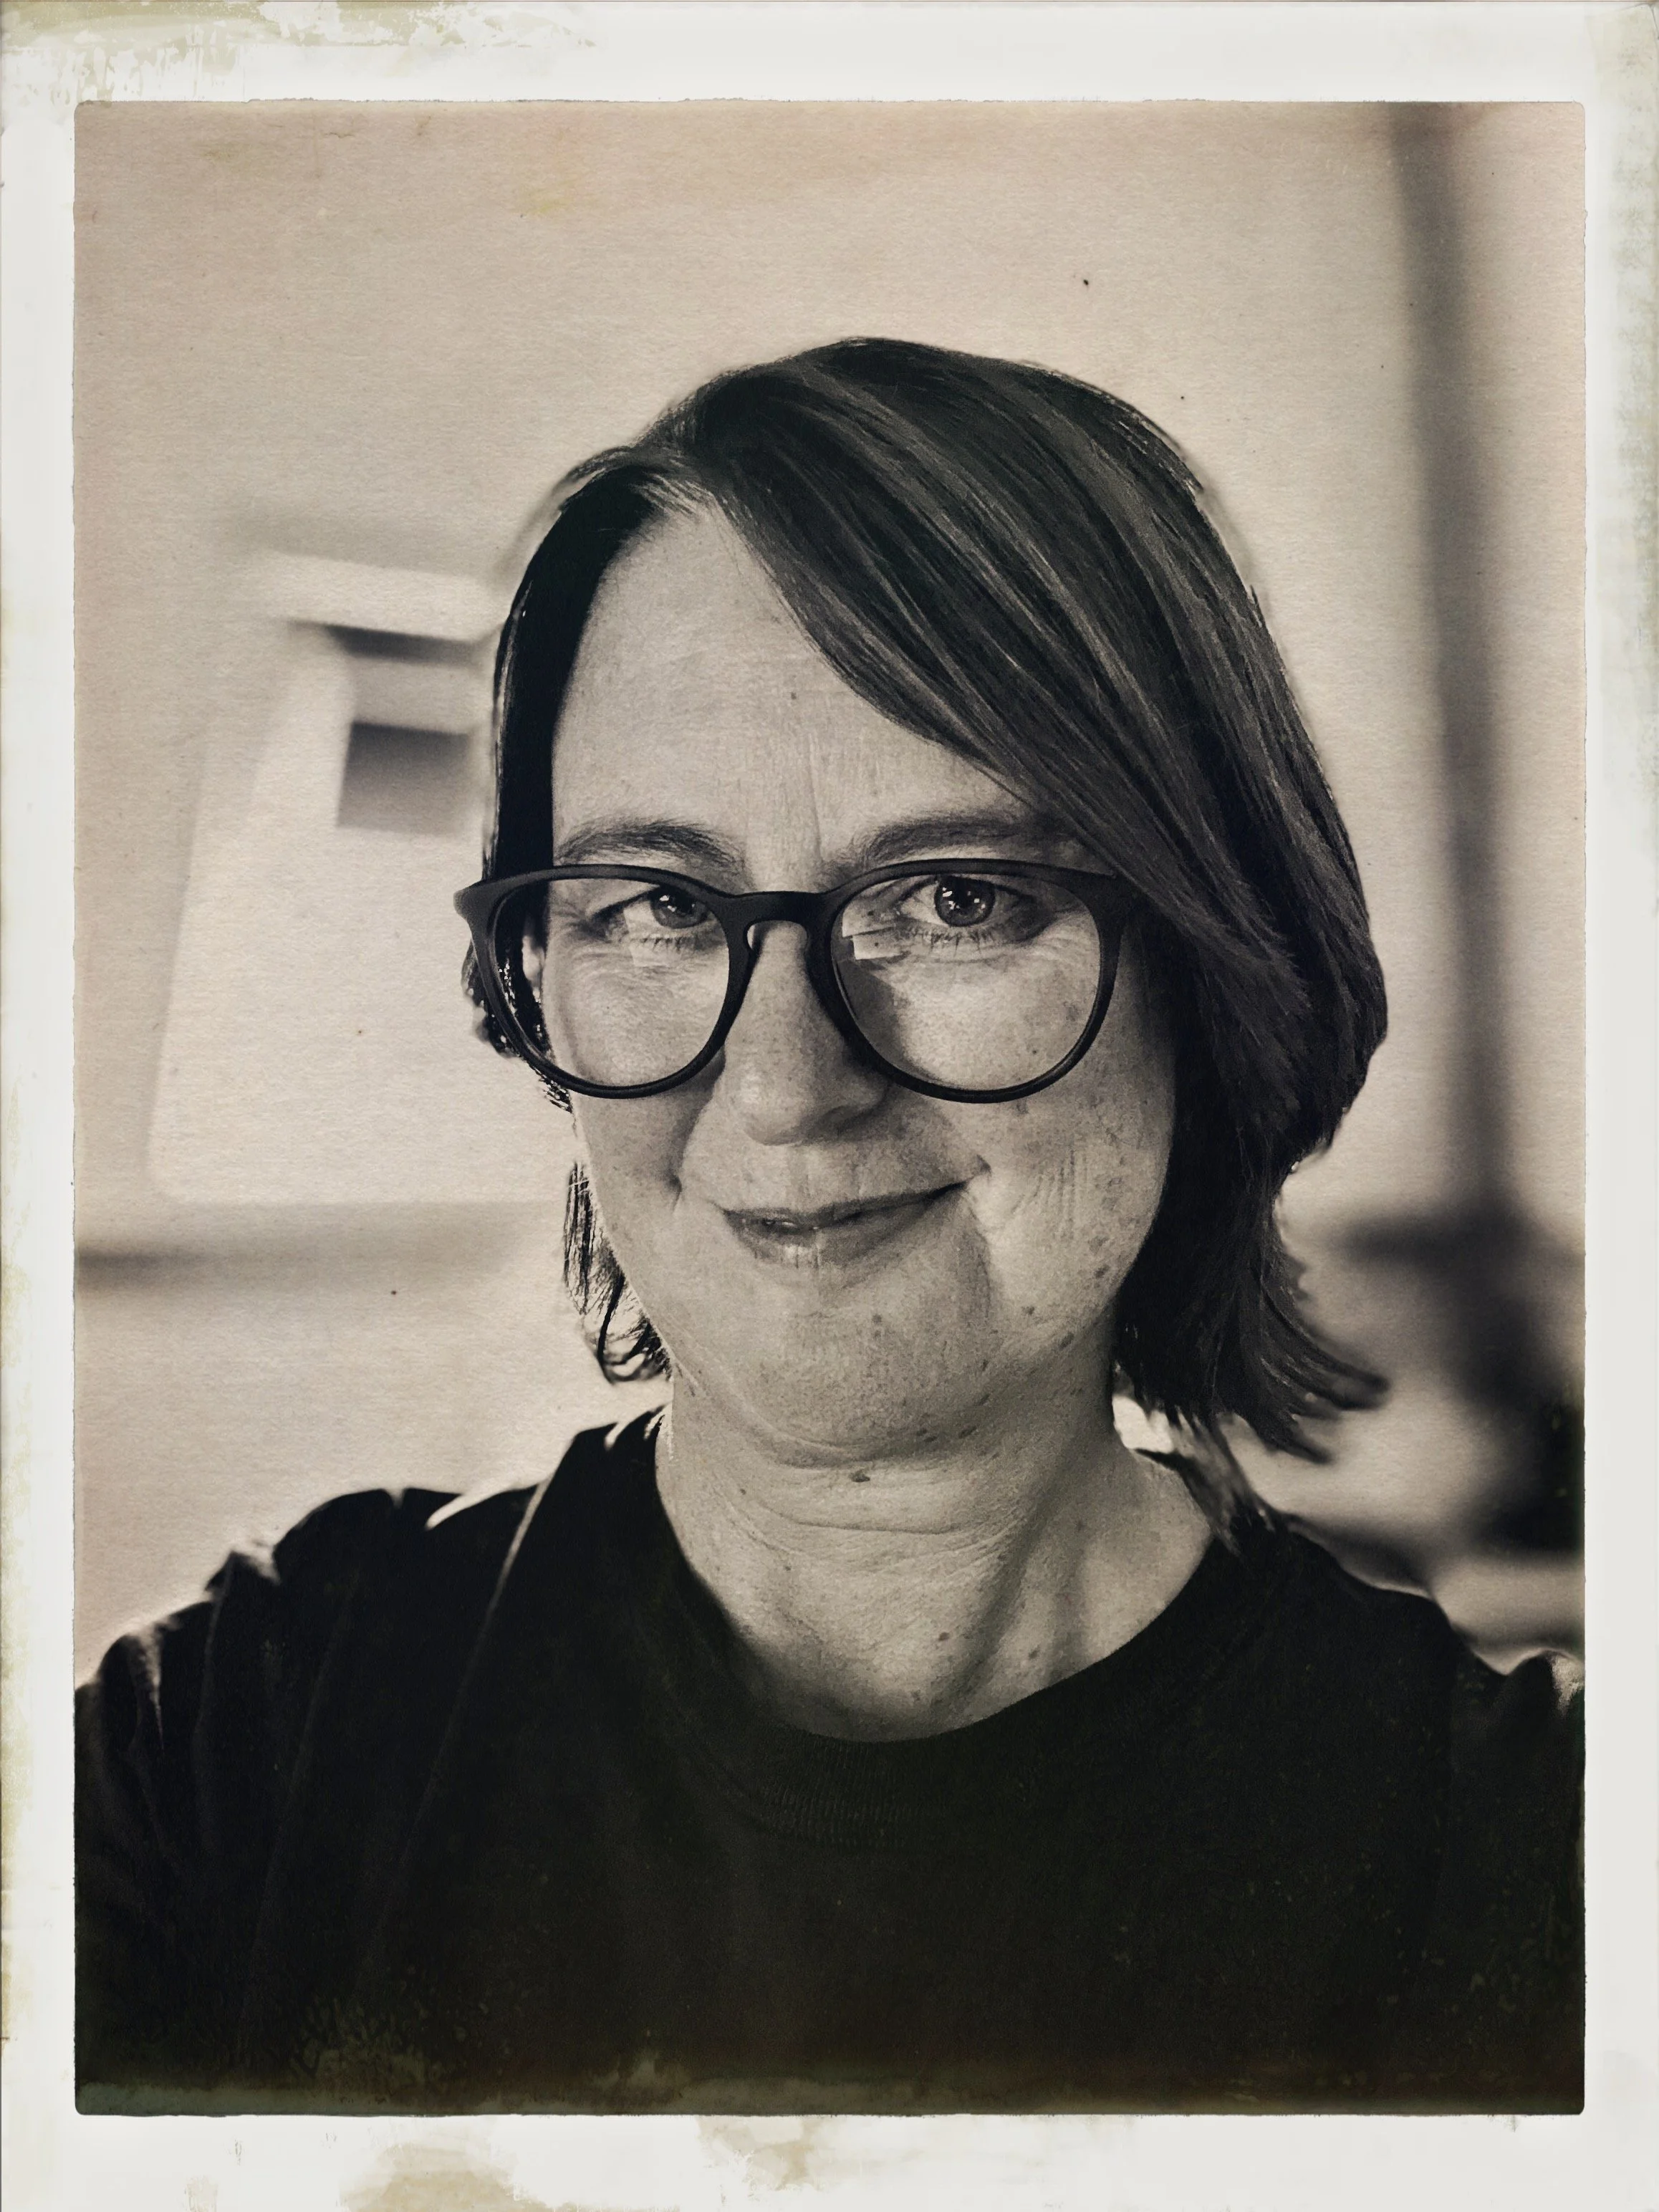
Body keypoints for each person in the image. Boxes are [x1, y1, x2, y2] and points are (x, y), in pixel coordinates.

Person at [77, 339, 1582, 2114]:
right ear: (535, 974)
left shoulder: (1535, 1871)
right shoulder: (233, 1750)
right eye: (654, 903)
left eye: (956, 898)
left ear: (1219, 965)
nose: (785, 1085)